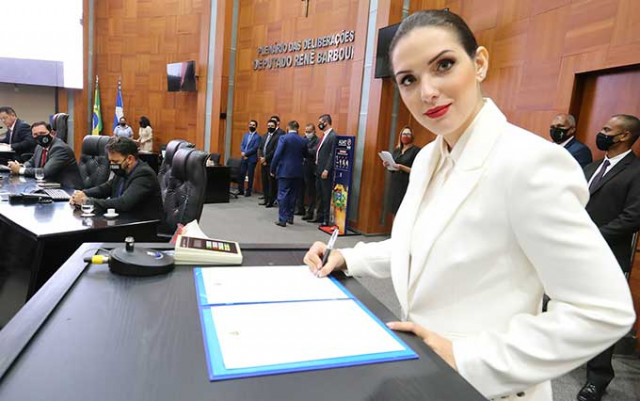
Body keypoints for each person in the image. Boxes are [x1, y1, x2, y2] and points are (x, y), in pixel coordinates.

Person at [303, 10, 634, 401]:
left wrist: (469, 359)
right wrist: (350, 258)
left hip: (488, 387)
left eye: (443, 65)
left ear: (479, 63)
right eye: (408, 79)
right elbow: (423, 243)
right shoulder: (428, 158)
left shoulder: (530, 162)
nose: (427, 92)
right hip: (426, 372)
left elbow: (601, 310)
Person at [578, 114, 640, 401]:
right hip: (575, 253)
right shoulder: (591, 167)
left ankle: (598, 378)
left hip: (608, 255)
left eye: (606, 129)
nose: (601, 133)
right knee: (566, 306)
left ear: (624, 135)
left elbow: (632, 217)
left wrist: (592, 237)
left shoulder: (636, 171)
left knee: (603, 317)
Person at [70, 136, 163, 221]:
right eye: (110, 161)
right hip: (123, 222)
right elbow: (105, 188)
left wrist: (88, 202)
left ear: (129, 159)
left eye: (115, 161)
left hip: (144, 227)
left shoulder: (144, 174)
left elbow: (124, 203)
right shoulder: (122, 170)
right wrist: (83, 193)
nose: (112, 165)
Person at [7, 121, 82, 188]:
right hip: (48, 185)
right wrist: (20, 166)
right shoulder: (39, 147)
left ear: (52, 133)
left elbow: (45, 172)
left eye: (42, 133)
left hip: (67, 189)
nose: (39, 137)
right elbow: (31, 162)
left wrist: (20, 170)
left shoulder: (59, 148)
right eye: (35, 134)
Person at [270, 120, 307, 227]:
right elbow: (306, 154)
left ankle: (282, 219)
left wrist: (272, 169)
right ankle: (290, 217)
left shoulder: (283, 138)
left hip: (284, 171)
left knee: (283, 194)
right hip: (298, 171)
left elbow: (277, 155)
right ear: (297, 128)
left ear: (288, 127)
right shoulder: (302, 140)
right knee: (293, 195)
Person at [385, 126, 421, 215]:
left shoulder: (416, 151)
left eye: (408, 134)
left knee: (404, 212)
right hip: (395, 184)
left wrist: (402, 167)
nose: (405, 136)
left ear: (412, 136)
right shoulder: (397, 150)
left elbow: (417, 171)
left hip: (407, 185)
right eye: (404, 134)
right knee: (394, 211)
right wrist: (388, 165)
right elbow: (393, 168)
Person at [311, 114, 337, 226]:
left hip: (325, 171)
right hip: (318, 169)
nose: (319, 124)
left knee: (326, 195)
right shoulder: (323, 136)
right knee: (319, 194)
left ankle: (326, 219)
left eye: (320, 122)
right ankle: (319, 216)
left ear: (326, 122)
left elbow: (332, 154)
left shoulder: (333, 136)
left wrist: (327, 169)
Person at [258, 119, 281, 207]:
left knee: (271, 183)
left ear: (275, 126)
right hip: (263, 162)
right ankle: (266, 199)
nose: (270, 127)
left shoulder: (278, 137)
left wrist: (265, 158)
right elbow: (260, 148)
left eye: (272, 126)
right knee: (264, 182)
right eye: (268, 126)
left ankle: (270, 201)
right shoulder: (264, 136)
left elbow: (274, 151)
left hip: (271, 163)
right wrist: (261, 158)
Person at [301, 123, 320, 221]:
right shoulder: (303, 139)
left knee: (311, 191)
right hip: (301, 167)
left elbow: (313, 151)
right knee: (300, 189)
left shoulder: (317, 140)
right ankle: (300, 208)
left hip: (311, 169)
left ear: (314, 131)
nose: (307, 133)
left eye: (309, 132)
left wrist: (304, 150)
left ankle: (310, 212)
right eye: (306, 131)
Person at [238, 119, 261, 196]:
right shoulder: (245, 135)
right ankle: (241, 190)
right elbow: (242, 145)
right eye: (250, 125)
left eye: (253, 125)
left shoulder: (258, 137)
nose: (251, 126)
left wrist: (246, 154)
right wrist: (242, 152)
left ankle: (248, 191)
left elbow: (255, 148)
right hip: (243, 158)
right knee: (241, 174)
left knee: (250, 175)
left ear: (256, 127)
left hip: (251, 159)